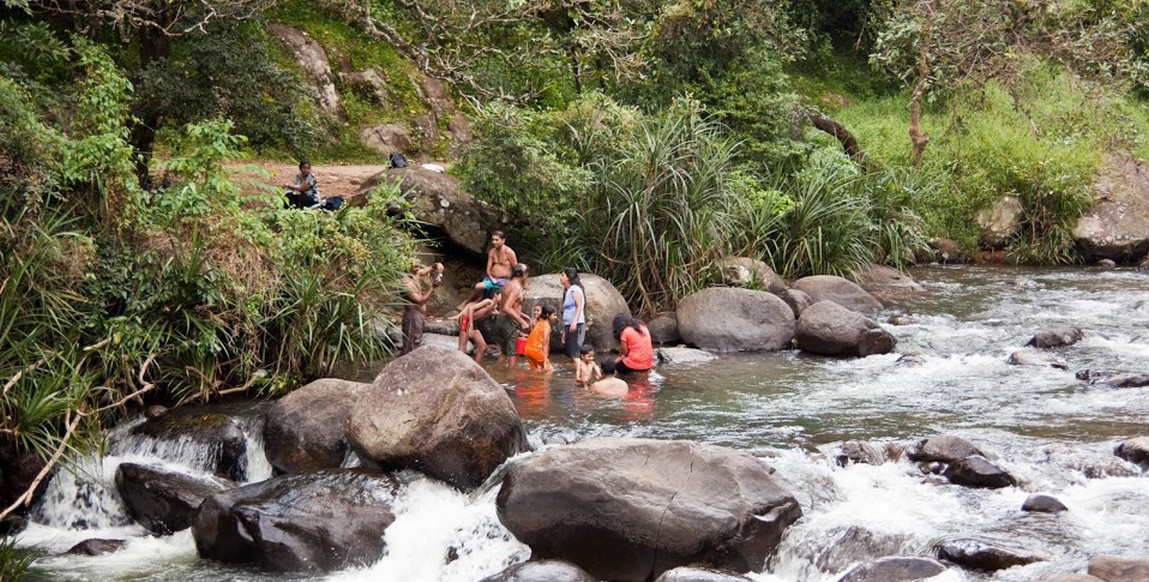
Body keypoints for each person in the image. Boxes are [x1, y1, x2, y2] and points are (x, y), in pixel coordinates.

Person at [457, 231, 518, 312]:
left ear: (503, 240)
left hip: (504, 280)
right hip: (492, 278)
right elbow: (488, 269)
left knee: (479, 286)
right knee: (479, 292)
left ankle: (469, 304)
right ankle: (467, 303)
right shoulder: (492, 252)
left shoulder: (509, 252)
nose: (494, 242)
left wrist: (518, 282)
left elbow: (517, 268)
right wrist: (491, 277)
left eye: (497, 240)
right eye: (493, 240)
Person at [491, 263, 531, 367]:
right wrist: (521, 321)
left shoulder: (507, 284)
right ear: (524, 275)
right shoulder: (516, 288)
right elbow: (507, 307)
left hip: (500, 319)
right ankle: (511, 380)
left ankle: (497, 374)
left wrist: (521, 314)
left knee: (504, 351)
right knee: (513, 353)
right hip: (508, 322)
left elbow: (503, 303)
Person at [400, 261, 444, 355]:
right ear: (407, 267)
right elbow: (420, 301)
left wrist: (436, 265)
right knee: (410, 347)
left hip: (419, 317)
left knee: (415, 343)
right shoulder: (405, 284)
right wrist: (433, 287)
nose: (417, 269)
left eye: (418, 266)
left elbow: (425, 270)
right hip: (412, 318)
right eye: (414, 267)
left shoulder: (415, 274)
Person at [457, 289, 501, 363]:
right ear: (496, 295)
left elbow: (503, 314)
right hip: (465, 320)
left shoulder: (493, 309)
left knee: (483, 347)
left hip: (472, 324)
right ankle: (457, 366)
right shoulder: (488, 301)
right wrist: (471, 325)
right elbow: (471, 309)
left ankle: (477, 367)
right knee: (462, 347)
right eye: (502, 296)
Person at [560, 267, 587, 359]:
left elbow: (580, 306)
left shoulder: (575, 289)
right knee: (570, 352)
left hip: (576, 324)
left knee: (575, 352)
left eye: (563, 275)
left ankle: (586, 370)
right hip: (569, 325)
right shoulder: (568, 290)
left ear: (568, 277)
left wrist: (575, 321)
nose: (560, 277)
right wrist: (565, 332)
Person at [524, 304, 557, 372]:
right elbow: (545, 344)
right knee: (549, 370)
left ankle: (534, 382)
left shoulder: (539, 322)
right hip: (536, 350)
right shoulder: (547, 326)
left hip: (527, 349)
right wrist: (545, 361)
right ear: (548, 315)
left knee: (535, 370)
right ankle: (545, 382)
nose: (555, 317)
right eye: (554, 315)